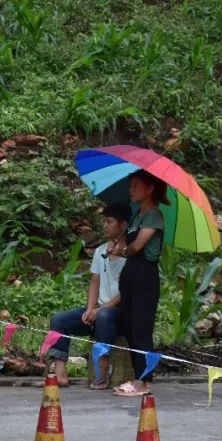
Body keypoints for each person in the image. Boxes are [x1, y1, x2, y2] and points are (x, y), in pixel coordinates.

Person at [46, 203, 131, 389]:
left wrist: (100, 310)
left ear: (123, 225)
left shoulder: (131, 254)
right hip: (99, 309)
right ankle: (60, 373)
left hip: (119, 313)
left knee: (104, 315)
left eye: (109, 222)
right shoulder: (101, 250)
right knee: (59, 319)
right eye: (104, 221)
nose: (105, 225)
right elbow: (94, 282)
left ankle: (102, 372)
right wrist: (91, 308)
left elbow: (126, 293)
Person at [112, 170, 167, 397]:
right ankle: (136, 378)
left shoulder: (154, 215)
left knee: (142, 329)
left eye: (136, 185)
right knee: (131, 328)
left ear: (150, 188)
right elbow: (125, 243)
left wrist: (122, 250)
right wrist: (117, 245)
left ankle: (144, 382)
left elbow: (136, 248)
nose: (131, 189)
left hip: (145, 274)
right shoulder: (136, 216)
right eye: (130, 185)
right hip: (130, 274)